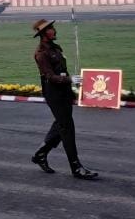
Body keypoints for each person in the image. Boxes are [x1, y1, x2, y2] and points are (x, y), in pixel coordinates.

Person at [31, 18, 97, 179]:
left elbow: (62, 71)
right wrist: (70, 80)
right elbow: (50, 76)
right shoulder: (41, 54)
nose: (54, 30)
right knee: (67, 128)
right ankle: (76, 167)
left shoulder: (55, 48)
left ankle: (40, 154)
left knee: (61, 125)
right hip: (54, 93)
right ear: (43, 34)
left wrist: (72, 86)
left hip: (63, 92)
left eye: (53, 28)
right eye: (51, 29)